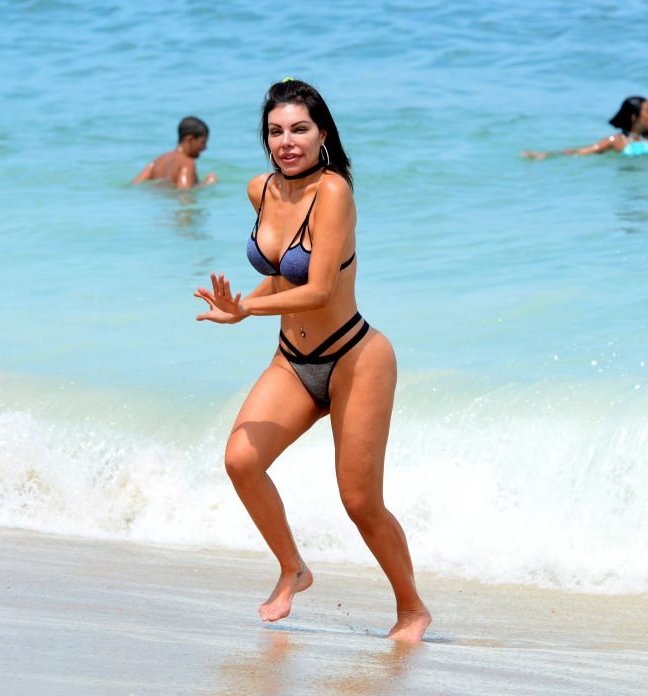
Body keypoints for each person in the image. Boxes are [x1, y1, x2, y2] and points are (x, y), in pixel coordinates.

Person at [193, 79, 432, 642]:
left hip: (355, 357)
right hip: (293, 360)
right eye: (276, 131)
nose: (287, 141)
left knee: (360, 501)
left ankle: (412, 609)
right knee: (241, 461)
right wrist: (243, 305)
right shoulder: (260, 190)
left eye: (299, 129)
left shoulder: (334, 193)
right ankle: (293, 568)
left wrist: (247, 311)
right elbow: (284, 273)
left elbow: (320, 288)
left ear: (323, 133)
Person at [522, 96, 648, 159]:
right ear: (634, 117)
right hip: (628, 182)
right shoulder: (617, 141)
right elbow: (583, 151)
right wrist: (547, 154)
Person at [132, 116, 218, 189]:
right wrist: (207, 184)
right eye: (203, 142)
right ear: (190, 139)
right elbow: (185, 194)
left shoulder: (156, 162)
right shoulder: (187, 163)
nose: (205, 148)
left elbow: (134, 185)